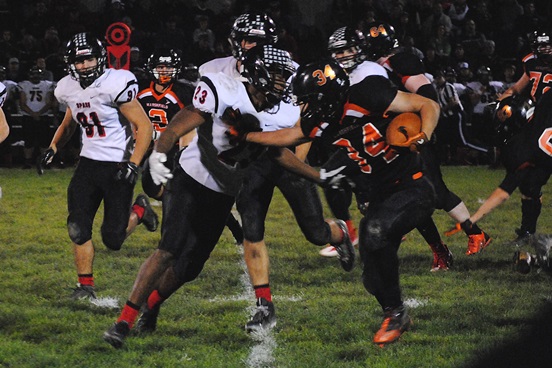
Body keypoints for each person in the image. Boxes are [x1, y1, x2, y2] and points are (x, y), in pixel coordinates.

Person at [102, 45, 355, 348]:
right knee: (169, 248)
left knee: (190, 268)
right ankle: (123, 322)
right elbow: (182, 120)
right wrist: (159, 153)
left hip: (223, 192)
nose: (281, 82)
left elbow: (275, 152)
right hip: (190, 178)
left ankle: (152, 305)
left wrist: (318, 177)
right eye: (276, 75)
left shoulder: (283, 110)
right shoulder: (223, 88)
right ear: (258, 71)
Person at [235, 58, 440, 346]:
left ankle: (396, 314)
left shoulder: (366, 94)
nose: (304, 108)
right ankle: (393, 310)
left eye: (308, 101)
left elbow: (428, 105)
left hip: (412, 185)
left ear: (326, 96)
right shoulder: (321, 119)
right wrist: (249, 136)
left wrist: (423, 137)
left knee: (375, 231)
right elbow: (291, 135)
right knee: (372, 279)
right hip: (379, 196)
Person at [37, 32, 159, 300]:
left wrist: (134, 164)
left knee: (113, 240)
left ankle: (139, 210)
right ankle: (85, 286)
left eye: (89, 59)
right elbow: (69, 121)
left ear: (100, 58)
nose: (84, 66)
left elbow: (144, 126)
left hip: (117, 165)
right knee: (77, 227)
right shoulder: (67, 87)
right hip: (88, 164)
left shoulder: (115, 83)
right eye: (78, 62)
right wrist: (54, 146)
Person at [366, 21, 491, 257]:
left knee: (435, 192)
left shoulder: (399, 61)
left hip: (413, 134)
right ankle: (440, 251)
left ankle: (475, 234)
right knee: (409, 196)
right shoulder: (376, 67)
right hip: (396, 138)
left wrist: (419, 130)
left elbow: (427, 96)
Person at [471, 28, 552, 241]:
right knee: (530, 182)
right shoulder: (531, 64)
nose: (545, 49)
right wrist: (504, 99)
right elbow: (516, 88)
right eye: (541, 45)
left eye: (548, 45)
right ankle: (527, 232)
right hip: (538, 124)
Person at [318, 25, 387, 258]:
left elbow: (366, 110)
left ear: (359, 49)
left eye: (346, 50)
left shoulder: (369, 71)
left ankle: (359, 231)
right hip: (357, 138)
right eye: (337, 52)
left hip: (377, 139)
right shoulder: (340, 73)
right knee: (336, 179)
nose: (341, 56)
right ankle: (352, 230)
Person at [17, 65, 56, 168]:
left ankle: (44, 161)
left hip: (42, 116)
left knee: (44, 141)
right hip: (29, 116)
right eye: (33, 74)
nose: (35, 76)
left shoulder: (47, 85)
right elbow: (22, 102)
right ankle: (28, 161)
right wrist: (34, 114)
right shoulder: (24, 85)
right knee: (28, 141)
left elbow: (49, 102)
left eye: (37, 74)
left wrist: (38, 113)